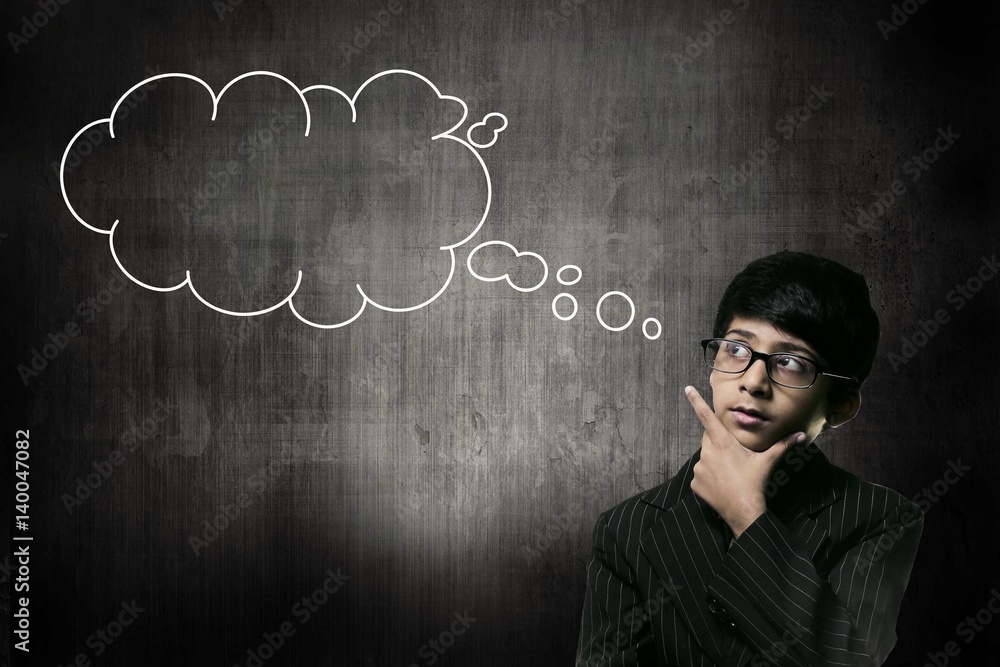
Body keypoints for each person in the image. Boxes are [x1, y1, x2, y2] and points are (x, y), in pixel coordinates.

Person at [575, 251, 924, 666]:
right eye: (737, 349)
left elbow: (846, 660)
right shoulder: (628, 529)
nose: (753, 381)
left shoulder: (879, 519)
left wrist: (747, 516)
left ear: (842, 404)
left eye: (791, 362)